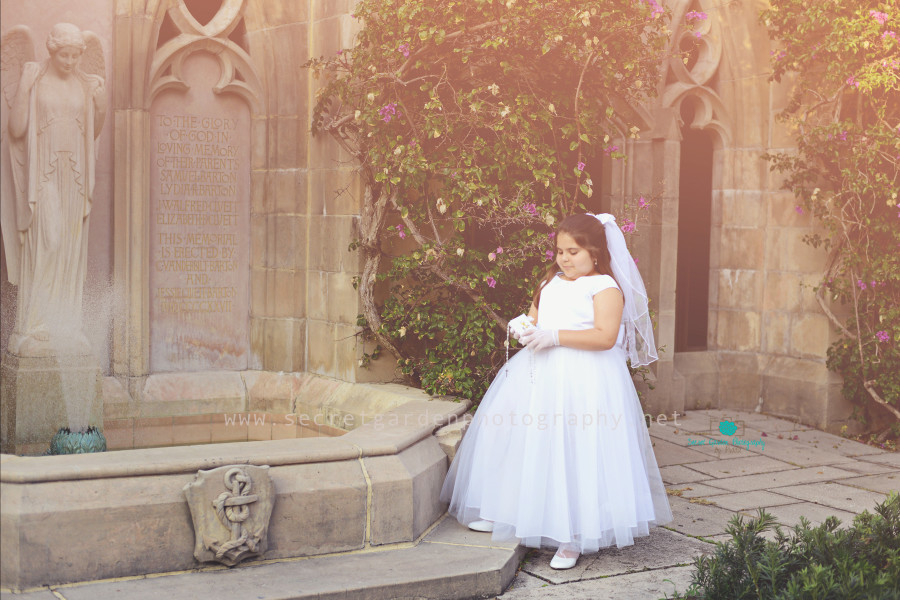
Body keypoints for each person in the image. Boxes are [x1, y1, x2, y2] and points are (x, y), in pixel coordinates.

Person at [440, 212, 672, 570]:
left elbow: (605, 337)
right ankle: (510, 513)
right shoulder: (551, 279)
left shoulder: (605, 287)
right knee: (524, 441)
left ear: (595, 253)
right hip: (539, 373)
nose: (564, 258)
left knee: (574, 449)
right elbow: (537, 315)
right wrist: (526, 326)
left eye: (574, 252)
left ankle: (573, 535)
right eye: (560, 251)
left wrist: (556, 336)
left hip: (584, 377)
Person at [4, 23, 106, 356]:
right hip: (44, 175)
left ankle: (66, 324)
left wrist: (100, 101)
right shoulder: (35, 78)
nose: (71, 61)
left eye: (76, 55)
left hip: (74, 174)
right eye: (65, 54)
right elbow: (16, 129)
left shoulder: (83, 83)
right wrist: (24, 86)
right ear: (52, 50)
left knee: (71, 246)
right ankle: (34, 325)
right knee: (49, 239)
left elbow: (93, 131)